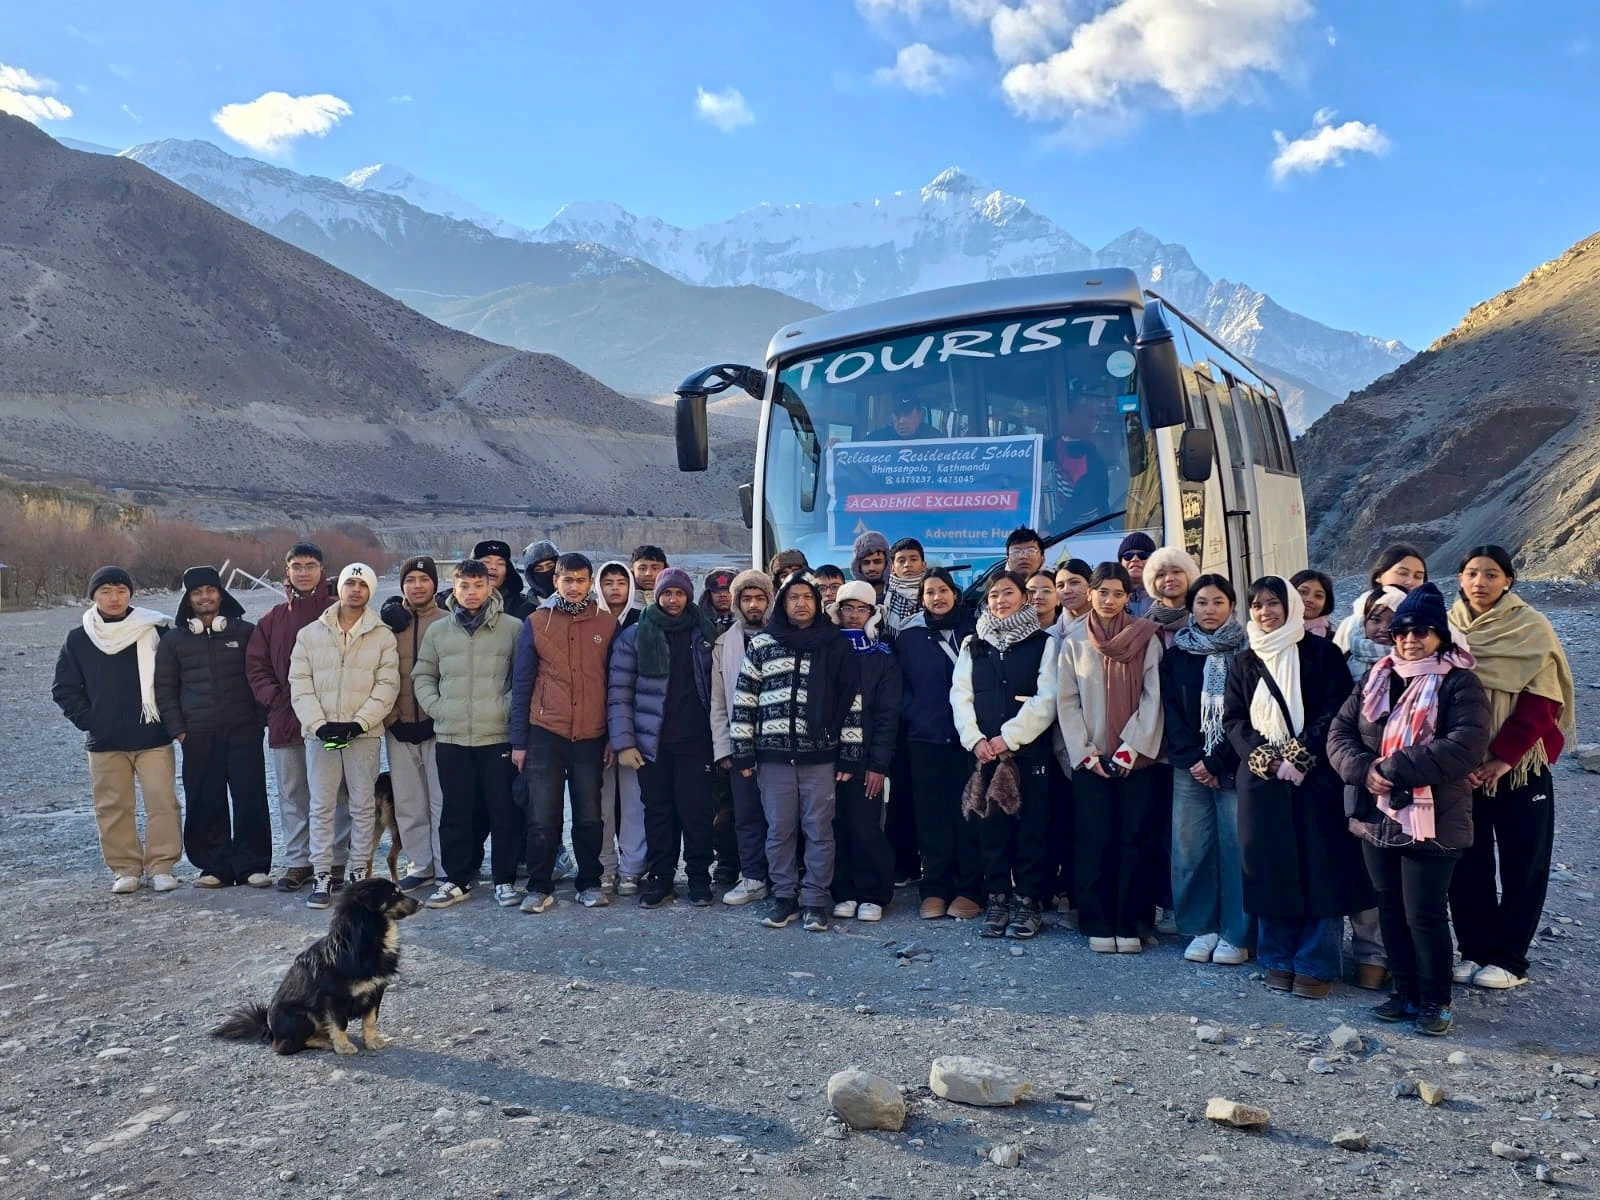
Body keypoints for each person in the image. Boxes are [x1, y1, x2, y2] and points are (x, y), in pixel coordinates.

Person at [1329, 583, 1491, 1035]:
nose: (1410, 639)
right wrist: (1364, 770)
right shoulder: (1378, 675)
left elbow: (1465, 745)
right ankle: (1404, 993)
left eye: (1421, 631)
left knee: (1425, 911)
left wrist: (1393, 768)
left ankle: (1436, 1001)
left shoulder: (1460, 682)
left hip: (1434, 817)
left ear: (1441, 635)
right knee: (1390, 906)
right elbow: (1339, 733)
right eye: (1402, 631)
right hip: (1377, 813)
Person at [1448, 545, 1576, 991]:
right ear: (1460, 579)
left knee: (1524, 863)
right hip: (1464, 768)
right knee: (1468, 861)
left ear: (1508, 581)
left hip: (1519, 767)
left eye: (1491, 574)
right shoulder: (1449, 628)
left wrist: (1502, 758)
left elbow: (1544, 702)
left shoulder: (1530, 627)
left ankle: (1510, 958)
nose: (1480, 582)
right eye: (1471, 573)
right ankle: (1473, 950)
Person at [1224, 576, 1358, 999]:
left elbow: (1337, 709)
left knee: (1320, 869)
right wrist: (1268, 759)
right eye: (1258, 605)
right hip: (1263, 781)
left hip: (1316, 777)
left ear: (1291, 607)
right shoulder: (1245, 660)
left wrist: (1300, 756)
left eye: (1274, 604)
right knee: (1270, 869)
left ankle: (1316, 964)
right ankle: (1278, 959)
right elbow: (1234, 720)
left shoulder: (1323, 653)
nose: (1266, 612)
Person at [730, 573, 858, 932]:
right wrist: (742, 751)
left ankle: (816, 900)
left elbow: (851, 703)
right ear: (782, 604)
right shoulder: (764, 644)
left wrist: (849, 754)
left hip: (820, 756)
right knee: (779, 830)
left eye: (807, 597)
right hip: (772, 757)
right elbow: (745, 701)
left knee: (819, 830)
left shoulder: (834, 645)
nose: (800, 603)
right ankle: (784, 896)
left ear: (818, 604)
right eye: (793, 598)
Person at [53, 565, 182, 894]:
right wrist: (91, 720)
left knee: (162, 801)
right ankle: (125, 868)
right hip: (106, 740)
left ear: (130, 594)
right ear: (93, 595)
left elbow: (175, 679)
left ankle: (162, 865)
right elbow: (64, 688)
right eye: (106, 591)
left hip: (153, 737)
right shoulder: (80, 638)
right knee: (113, 806)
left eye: (121, 591)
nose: (114, 598)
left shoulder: (153, 629)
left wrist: (170, 719)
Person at [1057, 563, 1164, 953]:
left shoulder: (1146, 637)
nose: (1109, 600)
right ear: (1091, 593)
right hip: (1091, 761)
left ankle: (1131, 922)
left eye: (1118, 593)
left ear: (1127, 596)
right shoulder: (1073, 641)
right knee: (1093, 840)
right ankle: (1097, 920)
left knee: (1134, 840)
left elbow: (1154, 697)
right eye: (1102, 592)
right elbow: (1066, 701)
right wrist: (1085, 753)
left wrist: (1129, 748)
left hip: (1136, 759)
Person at [952, 571, 1061, 940]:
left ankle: (1027, 903)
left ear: (1023, 599)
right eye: (994, 595)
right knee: (991, 828)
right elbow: (960, 695)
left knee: (1032, 828)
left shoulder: (1044, 642)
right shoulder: (974, 643)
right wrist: (976, 739)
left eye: (1008, 593)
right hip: (983, 754)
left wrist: (1009, 738)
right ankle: (997, 899)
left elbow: (1048, 698)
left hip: (1028, 753)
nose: (1000, 600)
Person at [288, 562, 400, 911]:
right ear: (339, 588)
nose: (355, 590)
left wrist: (359, 723)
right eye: (350, 583)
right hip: (320, 736)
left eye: (362, 585)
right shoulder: (310, 634)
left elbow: (387, 684)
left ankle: (358, 874)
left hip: (362, 736)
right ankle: (322, 873)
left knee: (363, 806)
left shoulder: (381, 635)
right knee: (321, 805)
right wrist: (318, 724)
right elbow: (300, 684)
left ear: (370, 591)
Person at [510, 554, 618, 913]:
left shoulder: (606, 622)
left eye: (581, 580)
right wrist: (519, 742)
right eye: (567, 579)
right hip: (546, 733)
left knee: (589, 816)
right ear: (555, 580)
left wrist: (612, 738)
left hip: (590, 735)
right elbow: (522, 684)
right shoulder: (537, 622)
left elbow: (614, 684)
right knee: (543, 816)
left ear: (590, 583)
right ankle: (539, 886)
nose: (574, 587)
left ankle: (589, 881)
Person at [413, 558, 523, 910]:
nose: (471, 593)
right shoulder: (439, 631)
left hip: (497, 736)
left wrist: (503, 709)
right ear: (454, 588)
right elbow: (423, 675)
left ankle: (504, 879)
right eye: (464, 586)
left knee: (502, 811)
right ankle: (456, 880)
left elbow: (522, 680)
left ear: (490, 588)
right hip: (452, 736)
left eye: (478, 585)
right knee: (456, 812)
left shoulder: (513, 628)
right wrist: (439, 708)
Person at [609, 567, 719, 908]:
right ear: (657, 595)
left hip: (696, 741)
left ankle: (700, 878)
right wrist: (624, 742)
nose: (673, 600)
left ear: (688, 596)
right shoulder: (635, 635)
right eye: (667, 593)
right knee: (657, 812)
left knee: (696, 813)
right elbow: (619, 692)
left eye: (679, 593)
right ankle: (661, 878)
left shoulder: (705, 634)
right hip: (651, 743)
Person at [154, 566, 270, 889]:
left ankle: (252, 864)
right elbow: (164, 689)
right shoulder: (173, 641)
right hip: (198, 734)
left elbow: (259, 677)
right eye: (196, 592)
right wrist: (179, 730)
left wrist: (259, 723)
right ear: (188, 599)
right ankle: (213, 866)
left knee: (250, 797)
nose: (204, 597)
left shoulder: (246, 632)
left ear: (221, 594)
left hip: (243, 731)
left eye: (210, 590)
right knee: (205, 799)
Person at [245, 542, 345, 893]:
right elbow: (255, 667)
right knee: (293, 792)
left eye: (311, 565)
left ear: (322, 569)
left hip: (333, 719)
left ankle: (335, 860)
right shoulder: (272, 619)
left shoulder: (340, 610)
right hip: (286, 719)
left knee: (336, 792)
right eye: (297, 566)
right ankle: (299, 861)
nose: (304, 572)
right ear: (286, 571)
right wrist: (274, 700)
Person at [1161, 574, 1250, 965]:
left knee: (1235, 848)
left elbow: (1248, 713)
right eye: (1201, 603)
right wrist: (1195, 759)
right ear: (1190, 608)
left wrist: (1219, 760)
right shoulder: (1177, 653)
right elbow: (1170, 711)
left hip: (1233, 765)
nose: (1209, 610)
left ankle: (1236, 933)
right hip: (1189, 765)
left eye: (1217, 602)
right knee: (1190, 848)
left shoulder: (1246, 652)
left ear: (1231, 605)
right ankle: (1201, 927)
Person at [897, 569, 983, 921]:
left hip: (968, 740)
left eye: (943, 590)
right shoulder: (910, 637)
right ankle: (934, 887)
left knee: (969, 815)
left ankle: (969, 889)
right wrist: (914, 714)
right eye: (929, 592)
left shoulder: (976, 629)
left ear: (955, 593)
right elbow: (899, 683)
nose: (937, 597)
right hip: (925, 739)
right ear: (921, 599)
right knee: (931, 818)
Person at [829, 582, 902, 922]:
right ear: (837, 611)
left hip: (866, 758)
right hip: (827, 756)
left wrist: (878, 765)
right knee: (833, 826)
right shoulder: (825, 649)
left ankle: (873, 893)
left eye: (862, 609)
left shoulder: (883, 656)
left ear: (873, 613)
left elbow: (888, 716)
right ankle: (843, 891)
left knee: (865, 826)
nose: (854, 615)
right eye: (848, 608)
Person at [379, 555, 448, 893]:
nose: (417, 586)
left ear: (434, 583)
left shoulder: (448, 621)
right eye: (410, 580)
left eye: (424, 579)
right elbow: (378, 674)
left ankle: (446, 865)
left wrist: (439, 716)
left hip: (439, 729)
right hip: (399, 728)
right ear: (402, 585)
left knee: (442, 800)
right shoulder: (388, 625)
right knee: (408, 802)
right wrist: (392, 719)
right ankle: (420, 865)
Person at [711, 569, 775, 906]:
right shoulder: (724, 644)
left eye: (759, 598)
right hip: (741, 746)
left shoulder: (784, 638)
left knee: (781, 817)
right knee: (746, 814)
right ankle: (752, 877)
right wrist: (724, 748)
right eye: (746, 598)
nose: (753, 605)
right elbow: (718, 702)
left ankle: (783, 879)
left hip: (781, 746)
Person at [596, 558, 643, 891]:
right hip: (594, 726)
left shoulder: (643, 622)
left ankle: (633, 866)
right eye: (608, 582)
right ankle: (603, 865)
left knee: (634, 801)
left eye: (621, 582)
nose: (615, 589)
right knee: (599, 803)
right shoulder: (589, 622)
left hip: (632, 726)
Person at [1334, 544, 1428, 651]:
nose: (1410, 581)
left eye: (1418, 577)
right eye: (1402, 573)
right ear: (1379, 576)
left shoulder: (1431, 624)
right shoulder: (1351, 624)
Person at [1045, 400, 1112, 528]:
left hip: (1091, 527)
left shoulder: (1093, 461)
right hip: (1066, 525)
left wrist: (1052, 530)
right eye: (1094, 423)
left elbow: (1080, 502)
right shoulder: (1057, 446)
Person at [1344, 586, 1407, 683]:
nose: (1384, 629)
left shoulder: (1416, 665)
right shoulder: (1344, 660)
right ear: (1364, 622)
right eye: (1376, 620)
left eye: (1394, 622)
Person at [1143, 547, 1201, 647]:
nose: (1169, 578)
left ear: (1189, 575)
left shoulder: (1204, 616)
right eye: (1161, 575)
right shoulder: (1145, 626)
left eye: (1176, 572)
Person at [473, 539, 535, 620]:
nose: (493, 567)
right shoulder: (454, 604)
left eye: (500, 563)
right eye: (487, 562)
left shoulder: (523, 607)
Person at [884, 538, 927, 638]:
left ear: (924, 565)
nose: (907, 565)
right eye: (901, 561)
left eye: (913, 559)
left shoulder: (933, 594)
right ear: (892, 569)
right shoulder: (884, 598)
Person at [865, 394, 941, 441]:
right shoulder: (877, 440)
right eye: (897, 414)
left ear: (920, 415)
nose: (901, 421)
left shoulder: (936, 439)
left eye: (907, 414)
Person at [1118, 533, 1157, 617]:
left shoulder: (1163, 595)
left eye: (1142, 555)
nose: (1135, 559)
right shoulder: (1110, 596)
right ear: (1120, 563)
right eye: (1128, 556)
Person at [1292, 570, 1337, 639]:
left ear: (1326, 603)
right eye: (1303, 592)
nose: (1310, 599)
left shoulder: (1335, 643)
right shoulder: (1272, 633)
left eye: (1318, 596)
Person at [1054, 557, 1094, 632]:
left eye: (1074, 583)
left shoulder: (1112, 625)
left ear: (1091, 584)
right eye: (1060, 586)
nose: (1066, 591)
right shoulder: (1052, 634)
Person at [850, 532, 890, 600]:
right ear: (858, 566)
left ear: (887, 563)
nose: (872, 568)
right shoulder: (850, 594)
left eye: (877, 562)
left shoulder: (899, 595)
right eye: (866, 563)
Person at [521, 540, 560, 604]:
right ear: (531, 576)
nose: (545, 571)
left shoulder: (574, 601)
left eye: (550, 566)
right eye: (538, 569)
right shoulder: (525, 611)